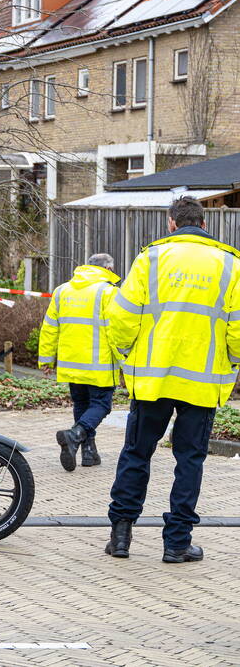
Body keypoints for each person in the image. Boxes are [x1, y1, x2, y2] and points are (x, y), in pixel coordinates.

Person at [106, 196, 240, 564]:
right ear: (205, 224)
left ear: (171, 224)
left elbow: (121, 318)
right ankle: (177, 543)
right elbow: (238, 332)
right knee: (190, 461)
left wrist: (126, 356)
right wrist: (229, 365)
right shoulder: (230, 265)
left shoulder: (150, 258)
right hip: (202, 382)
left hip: (153, 380)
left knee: (137, 453)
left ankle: (121, 535)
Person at [38, 253, 120, 471]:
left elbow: (49, 327)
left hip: (71, 364)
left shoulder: (62, 290)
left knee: (82, 405)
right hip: (99, 364)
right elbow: (118, 330)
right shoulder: (108, 292)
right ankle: (75, 435)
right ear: (108, 269)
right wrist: (126, 360)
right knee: (101, 405)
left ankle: (88, 452)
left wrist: (46, 358)